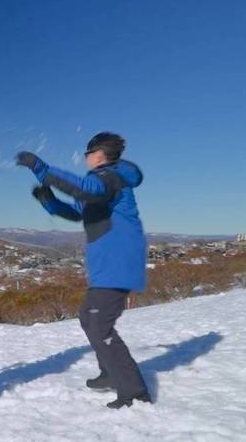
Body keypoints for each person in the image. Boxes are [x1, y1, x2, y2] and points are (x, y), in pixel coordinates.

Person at [20, 131, 150, 409]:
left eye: (88, 153)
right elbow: (78, 212)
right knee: (88, 318)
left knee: (100, 323)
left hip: (118, 261)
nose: (85, 158)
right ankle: (110, 374)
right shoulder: (103, 181)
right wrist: (49, 201)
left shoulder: (109, 178)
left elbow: (84, 189)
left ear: (100, 154)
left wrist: (40, 168)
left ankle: (135, 392)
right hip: (107, 265)